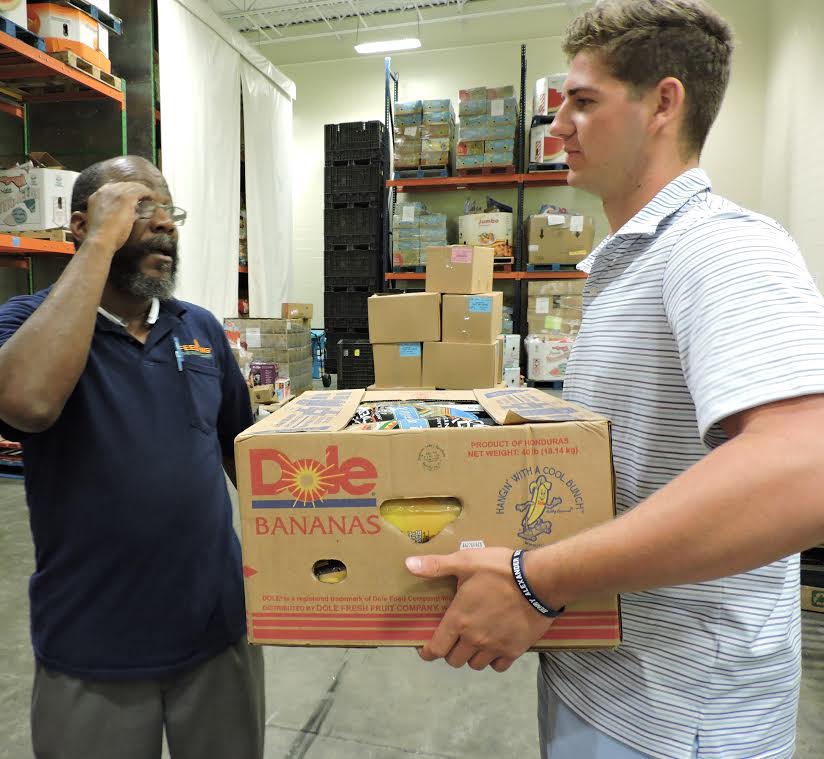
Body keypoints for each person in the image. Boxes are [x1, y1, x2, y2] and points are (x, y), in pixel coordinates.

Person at [405, 1, 824, 757]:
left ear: (664, 103)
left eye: (583, 101)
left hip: (679, 717)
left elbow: (807, 469)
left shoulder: (720, 250)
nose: (557, 125)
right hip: (602, 681)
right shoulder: (628, 264)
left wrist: (535, 580)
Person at [0, 156, 265, 759]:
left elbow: (239, 452)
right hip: (94, 643)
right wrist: (101, 241)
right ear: (79, 225)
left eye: (170, 211)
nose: (164, 224)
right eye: (140, 208)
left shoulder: (196, 326)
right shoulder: (25, 324)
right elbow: (27, 404)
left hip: (218, 632)